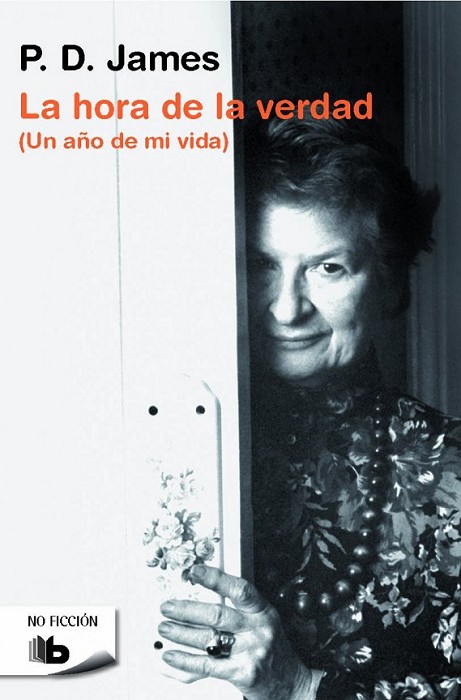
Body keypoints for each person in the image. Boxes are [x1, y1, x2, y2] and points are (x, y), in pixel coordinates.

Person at [158, 115, 461, 700]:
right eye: (261, 265)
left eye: (328, 268)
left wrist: (301, 687)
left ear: (391, 283)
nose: (286, 308)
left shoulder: (455, 471)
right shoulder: (166, 442)